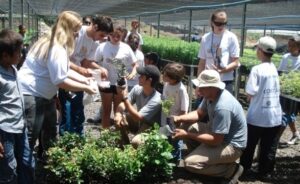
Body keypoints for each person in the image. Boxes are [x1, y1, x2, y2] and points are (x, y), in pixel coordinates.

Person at [18, 11, 97, 157]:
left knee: (50, 131)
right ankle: (21, 173)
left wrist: (84, 79)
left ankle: (48, 162)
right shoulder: (56, 48)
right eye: (75, 32)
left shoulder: (51, 42)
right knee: (29, 137)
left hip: (43, 95)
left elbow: (64, 69)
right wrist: (85, 87)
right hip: (32, 95)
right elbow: (60, 80)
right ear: (68, 30)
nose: (77, 35)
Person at [171, 69, 247, 184]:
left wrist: (187, 135)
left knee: (189, 163)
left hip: (232, 146)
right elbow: (198, 113)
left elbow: (216, 140)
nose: (198, 89)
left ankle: (231, 170)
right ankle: (206, 162)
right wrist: (179, 118)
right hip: (217, 135)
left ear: (213, 87)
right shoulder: (209, 96)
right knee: (192, 127)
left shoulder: (223, 106)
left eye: (202, 87)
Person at [59, 15, 113, 135]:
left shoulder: (94, 43)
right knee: (67, 111)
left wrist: (100, 68)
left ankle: (78, 138)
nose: (101, 39)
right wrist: (80, 70)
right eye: (101, 35)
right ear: (95, 26)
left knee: (78, 111)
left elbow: (85, 61)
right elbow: (63, 59)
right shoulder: (77, 33)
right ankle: (65, 140)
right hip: (66, 77)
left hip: (78, 78)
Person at [240, 36, 282, 178]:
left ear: (260, 50)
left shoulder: (257, 69)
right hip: (275, 116)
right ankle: (264, 173)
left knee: (249, 145)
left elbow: (250, 92)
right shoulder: (274, 68)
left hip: (257, 116)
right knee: (268, 146)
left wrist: (249, 96)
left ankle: (244, 170)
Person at [0, 29, 34, 183]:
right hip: (5, 130)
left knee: (27, 163)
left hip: (20, 126)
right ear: (5, 55)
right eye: (18, 52)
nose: (21, 55)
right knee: (9, 169)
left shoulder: (13, 68)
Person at [94, 25, 138, 128]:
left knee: (118, 111)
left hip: (120, 82)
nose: (115, 38)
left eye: (118, 35)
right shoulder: (102, 47)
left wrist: (133, 72)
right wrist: (100, 69)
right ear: (108, 35)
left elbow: (135, 63)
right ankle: (105, 136)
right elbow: (94, 62)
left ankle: (118, 137)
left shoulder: (126, 47)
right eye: (112, 35)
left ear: (122, 35)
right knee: (106, 110)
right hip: (106, 82)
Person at [114, 65, 162, 147]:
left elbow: (137, 117)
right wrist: (118, 113)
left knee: (136, 142)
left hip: (151, 126)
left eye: (142, 76)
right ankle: (124, 146)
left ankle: (140, 150)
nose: (139, 77)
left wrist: (125, 98)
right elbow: (123, 104)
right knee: (119, 119)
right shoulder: (137, 88)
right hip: (140, 121)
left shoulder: (157, 99)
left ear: (149, 80)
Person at [197, 9, 240, 94]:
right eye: (218, 24)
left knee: (223, 106)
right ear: (212, 22)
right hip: (207, 80)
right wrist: (198, 84)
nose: (221, 26)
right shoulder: (206, 38)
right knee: (204, 106)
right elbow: (202, 62)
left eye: (224, 23)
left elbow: (236, 62)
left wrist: (222, 70)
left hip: (225, 80)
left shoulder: (231, 37)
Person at [161, 63, 189, 160]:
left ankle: (176, 159)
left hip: (176, 119)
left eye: (165, 75)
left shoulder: (181, 89)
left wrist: (179, 122)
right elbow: (164, 99)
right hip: (166, 116)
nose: (163, 75)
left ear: (174, 78)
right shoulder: (166, 85)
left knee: (175, 139)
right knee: (166, 136)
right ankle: (168, 157)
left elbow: (184, 108)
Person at [277, 35, 300, 145]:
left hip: (294, 93)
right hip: (283, 90)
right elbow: (280, 72)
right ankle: (295, 134)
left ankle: (275, 139)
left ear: (298, 47)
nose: (289, 48)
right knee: (288, 113)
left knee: (285, 114)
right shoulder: (285, 57)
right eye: (289, 45)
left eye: (292, 46)